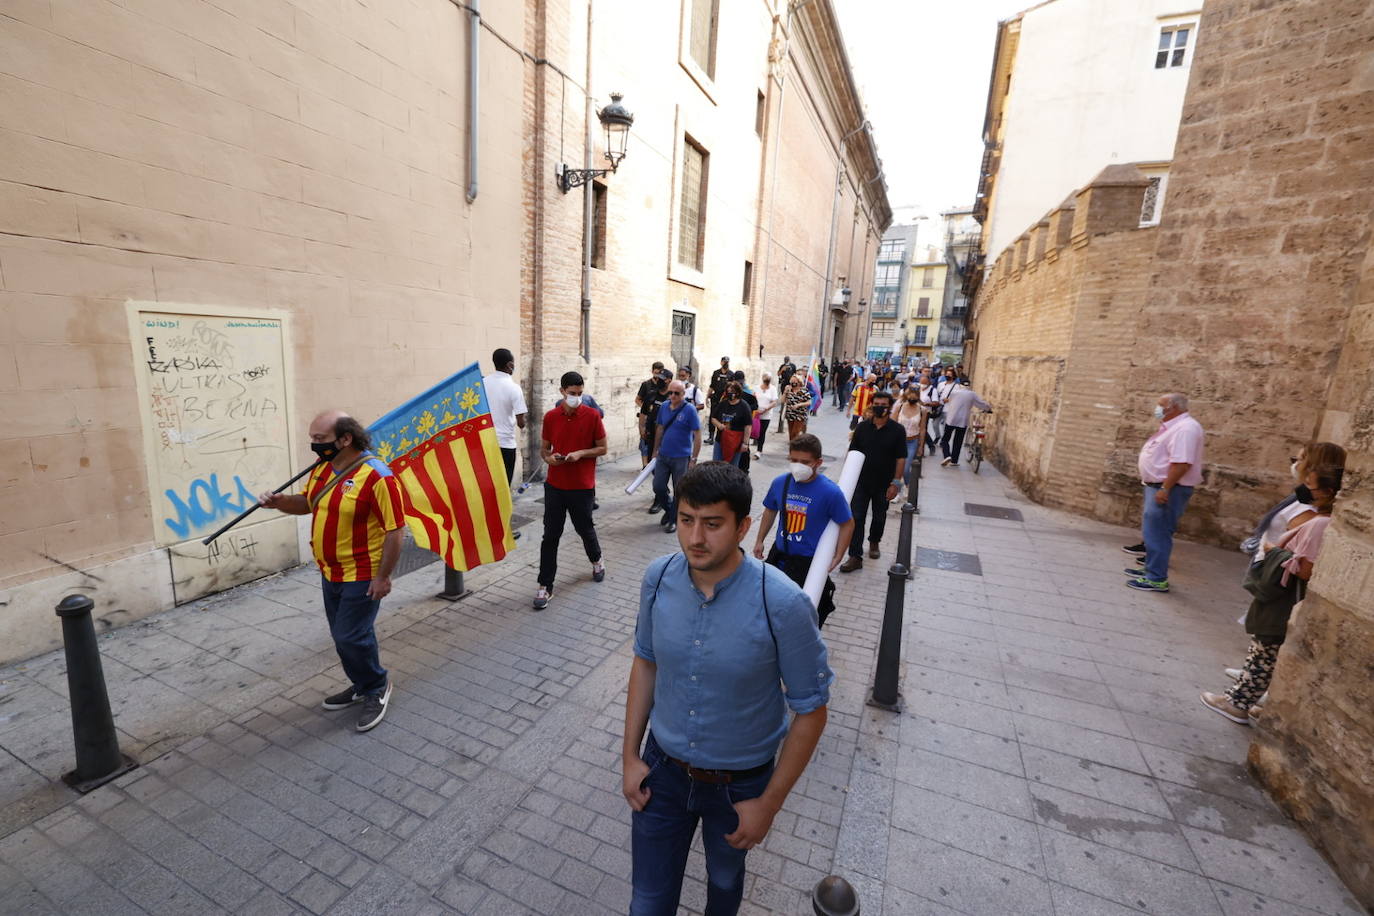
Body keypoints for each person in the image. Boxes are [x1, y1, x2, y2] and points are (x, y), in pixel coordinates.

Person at [623, 462, 833, 916]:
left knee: (723, 886)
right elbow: (646, 662)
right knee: (648, 902)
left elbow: (812, 710)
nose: (695, 538)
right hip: (663, 774)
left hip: (740, 786)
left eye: (713, 524)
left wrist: (769, 804)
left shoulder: (782, 602)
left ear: (743, 526)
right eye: (686, 520)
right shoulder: (658, 579)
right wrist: (630, 756)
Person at [258, 411, 403, 732]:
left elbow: (395, 530)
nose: (314, 445)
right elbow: (308, 503)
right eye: (312, 439)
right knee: (343, 637)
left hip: (362, 572)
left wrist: (383, 577)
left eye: (320, 439)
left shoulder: (378, 476)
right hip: (330, 571)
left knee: (351, 636)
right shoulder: (324, 468)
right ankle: (362, 683)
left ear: (345, 439)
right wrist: (280, 502)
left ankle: (377, 686)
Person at [1201, 460, 1344, 725]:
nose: (1303, 488)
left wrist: (1272, 552)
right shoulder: (1322, 520)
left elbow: (1306, 569)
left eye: (1310, 485)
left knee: (1263, 650)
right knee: (1266, 650)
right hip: (1285, 596)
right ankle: (1260, 703)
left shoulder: (1318, 524)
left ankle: (1237, 703)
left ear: (1326, 491)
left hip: (1284, 597)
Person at [752, 434, 853, 627]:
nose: (798, 466)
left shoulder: (830, 492)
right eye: (794, 460)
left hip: (808, 563)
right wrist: (759, 540)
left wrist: (839, 554)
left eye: (805, 462)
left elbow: (847, 523)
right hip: (780, 556)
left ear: (818, 462)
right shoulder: (780, 483)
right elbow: (770, 510)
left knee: (803, 614)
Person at [535, 371, 608, 610]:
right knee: (550, 536)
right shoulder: (551, 417)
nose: (576, 397)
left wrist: (580, 453)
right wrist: (549, 459)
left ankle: (596, 559)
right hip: (555, 485)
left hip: (582, 486)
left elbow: (602, 448)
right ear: (562, 391)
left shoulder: (593, 416)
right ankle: (545, 585)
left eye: (579, 393)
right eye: (572, 393)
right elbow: (544, 450)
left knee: (584, 528)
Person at [1122, 393, 1205, 593]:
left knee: (1158, 533)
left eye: (1161, 405)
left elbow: (1182, 463)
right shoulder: (1175, 426)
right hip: (1159, 486)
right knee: (1153, 532)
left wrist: (1165, 488)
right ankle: (1151, 569)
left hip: (1169, 489)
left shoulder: (1185, 429)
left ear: (1173, 408)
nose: (1157, 409)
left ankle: (1156, 578)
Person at [839, 391, 907, 572]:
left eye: (883, 404)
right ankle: (855, 556)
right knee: (856, 517)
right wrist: (847, 479)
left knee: (879, 516)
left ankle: (875, 541)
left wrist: (896, 483)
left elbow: (901, 458)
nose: (879, 407)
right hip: (861, 482)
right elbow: (852, 453)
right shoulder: (862, 428)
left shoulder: (897, 430)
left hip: (884, 483)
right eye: (876, 403)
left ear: (890, 406)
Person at [484, 348, 527, 539]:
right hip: (505, 445)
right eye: (513, 363)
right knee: (502, 488)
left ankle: (484, 527)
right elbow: (521, 422)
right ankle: (501, 530)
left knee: (487, 487)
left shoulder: (483, 383)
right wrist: (523, 420)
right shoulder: (514, 388)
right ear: (510, 365)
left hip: (485, 444)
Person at [650, 380, 702, 535]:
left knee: (679, 490)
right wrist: (655, 450)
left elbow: (697, 434)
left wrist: (694, 458)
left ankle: (673, 519)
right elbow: (659, 428)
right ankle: (669, 509)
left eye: (676, 393)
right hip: (663, 455)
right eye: (670, 392)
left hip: (681, 457)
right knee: (658, 486)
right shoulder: (664, 407)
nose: (672, 396)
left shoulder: (690, 410)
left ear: (683, 394)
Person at [939, 380, 992, 468]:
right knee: (958, 441)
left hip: (951, 419)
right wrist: (988, 408)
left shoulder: (953, 392)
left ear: (960, 385)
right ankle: (954, 460)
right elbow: (980, 404)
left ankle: (947, 455)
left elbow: (947, 399)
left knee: (945, 439)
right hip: (963, 420)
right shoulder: (972, 394)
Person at [710, 382, 752, 467]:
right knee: (716, 464)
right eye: (728, 391)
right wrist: (719, 425)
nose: (730, 394)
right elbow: (713, 418)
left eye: (732, 391)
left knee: (732, 466)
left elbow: (748, 425)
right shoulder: (723, 404)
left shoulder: (744, 406)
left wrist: (745, 443)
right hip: (721, 439)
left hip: (736, 441)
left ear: (738, 392)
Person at [893, 383, 926, 488]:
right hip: (898, 441)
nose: (913, 397)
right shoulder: (900, 406)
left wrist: (921, 446)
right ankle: (896, 490)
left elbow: (922, 429)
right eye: (911, 394)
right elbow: (892, 424)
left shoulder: (922, 410)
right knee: (895, 467)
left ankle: (908, 486)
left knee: (906, 468)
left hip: (912, 441)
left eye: (915, 395)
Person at [639, 369, 672, 471]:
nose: (659, 381)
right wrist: (642, 428)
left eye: (662, 379)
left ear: (669, 380)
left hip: (666, 435)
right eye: (657, 378)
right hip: (651, 433)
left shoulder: (672, 397)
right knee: (651, 463)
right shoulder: (651, 394)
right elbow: (643, 413)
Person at [707, 357, 733, 445]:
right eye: (724, 361)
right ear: (721, 362)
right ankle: (711, 436)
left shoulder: (731, 374)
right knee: (712, 416)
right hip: (715, 399)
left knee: (722, 417)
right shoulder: (716, 373)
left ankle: (721, 436)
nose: (725, 363)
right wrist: (707, 397)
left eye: (727, 362)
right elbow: (712, 386)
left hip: (725, 400)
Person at [754, 374, 779, 458]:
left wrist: (765, 409)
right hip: (756, 414)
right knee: (754, 431)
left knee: (762, 432)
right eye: (765, 380)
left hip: (766, 415)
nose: (767, 381)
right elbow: (753, 398)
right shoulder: (757, 388)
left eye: (768, 380)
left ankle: (759, 450)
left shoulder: (773, 389)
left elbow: (774, 402)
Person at [917, 375, 940, 457]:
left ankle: (924, 450)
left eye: (924, 383)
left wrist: (926, 404)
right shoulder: (917, 388)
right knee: (920, 430)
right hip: (916, 411)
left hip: (926, 413)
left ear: (928, 382)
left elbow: (936, 402)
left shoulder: (932, 390)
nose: (922, 384)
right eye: (921, 382)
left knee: (922, 430)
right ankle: (929, 446)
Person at [783, 374, 811, 440]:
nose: (793, 383)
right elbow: (782, 401)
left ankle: (794, 446)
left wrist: (799, 405)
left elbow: (809, 402)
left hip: (800, 415)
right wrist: (785, 392)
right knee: (791, 433)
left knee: (795, 433)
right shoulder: (789, 390)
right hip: (790, 414)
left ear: (799, 382)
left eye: (794, 381)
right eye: (791, 381)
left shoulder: (804, 390)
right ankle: (793, 446)